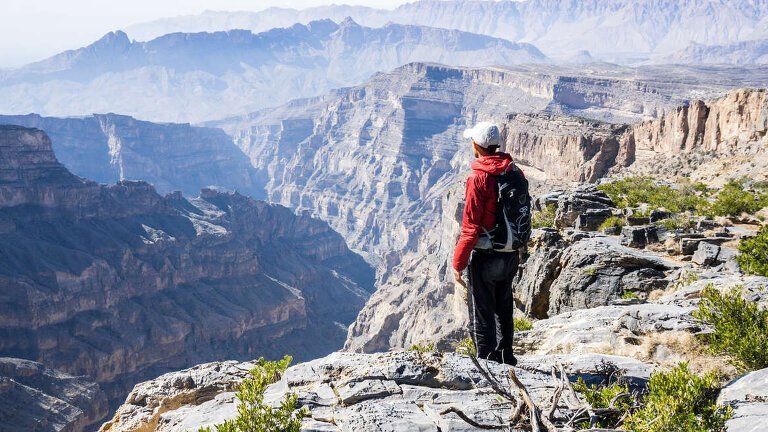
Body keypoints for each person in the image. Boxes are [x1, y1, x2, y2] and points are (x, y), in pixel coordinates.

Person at [452, 121, 520, 365]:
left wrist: (458, 264)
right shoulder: (513, 171)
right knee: (504, 307)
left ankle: (486, 363)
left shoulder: (479, 178)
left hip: (486, 256)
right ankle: (506, 357)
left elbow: (470, 227)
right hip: (511, 252)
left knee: (482, 311)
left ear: (476, 145)